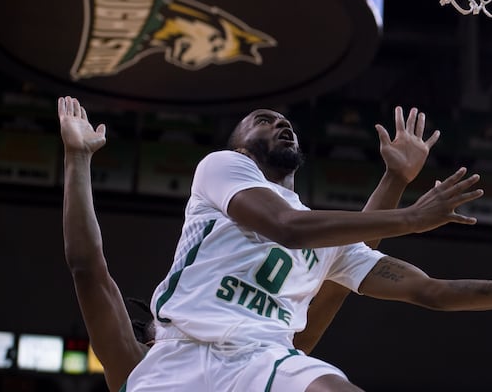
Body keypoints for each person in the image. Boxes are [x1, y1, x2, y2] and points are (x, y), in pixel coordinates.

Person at [122, 104, 492, 391]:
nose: (281, 124)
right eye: (264, 121)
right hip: (183, 351)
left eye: (287, 122)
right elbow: (286, 226)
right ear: (243, 148)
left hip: (260, 357)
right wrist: (411, 216)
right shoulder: (222, 168)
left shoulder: (329, 242)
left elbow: (431, 291)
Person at [58, 95, 442, 391]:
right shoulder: (137, 364)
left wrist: (394, 183)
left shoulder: (257, 355)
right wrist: (77, 158)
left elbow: (336, 270)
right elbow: (87, 268)